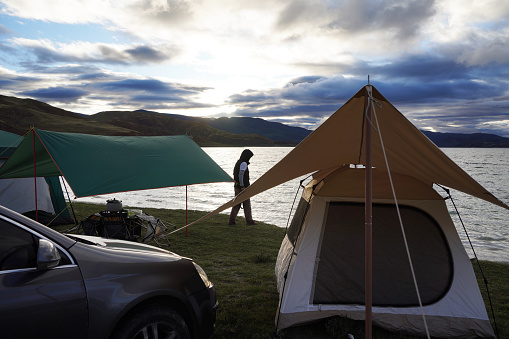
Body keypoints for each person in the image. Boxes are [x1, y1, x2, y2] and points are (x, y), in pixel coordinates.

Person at [228, 149, 257, 225]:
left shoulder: (238, 162)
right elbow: (241, 175)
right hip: (243, 187)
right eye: (249, 157)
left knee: (237, 204)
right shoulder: (243, 163)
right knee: (247, 204)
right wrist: (242, 186)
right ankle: (249, 221)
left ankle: (231, 220)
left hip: (237, 186)